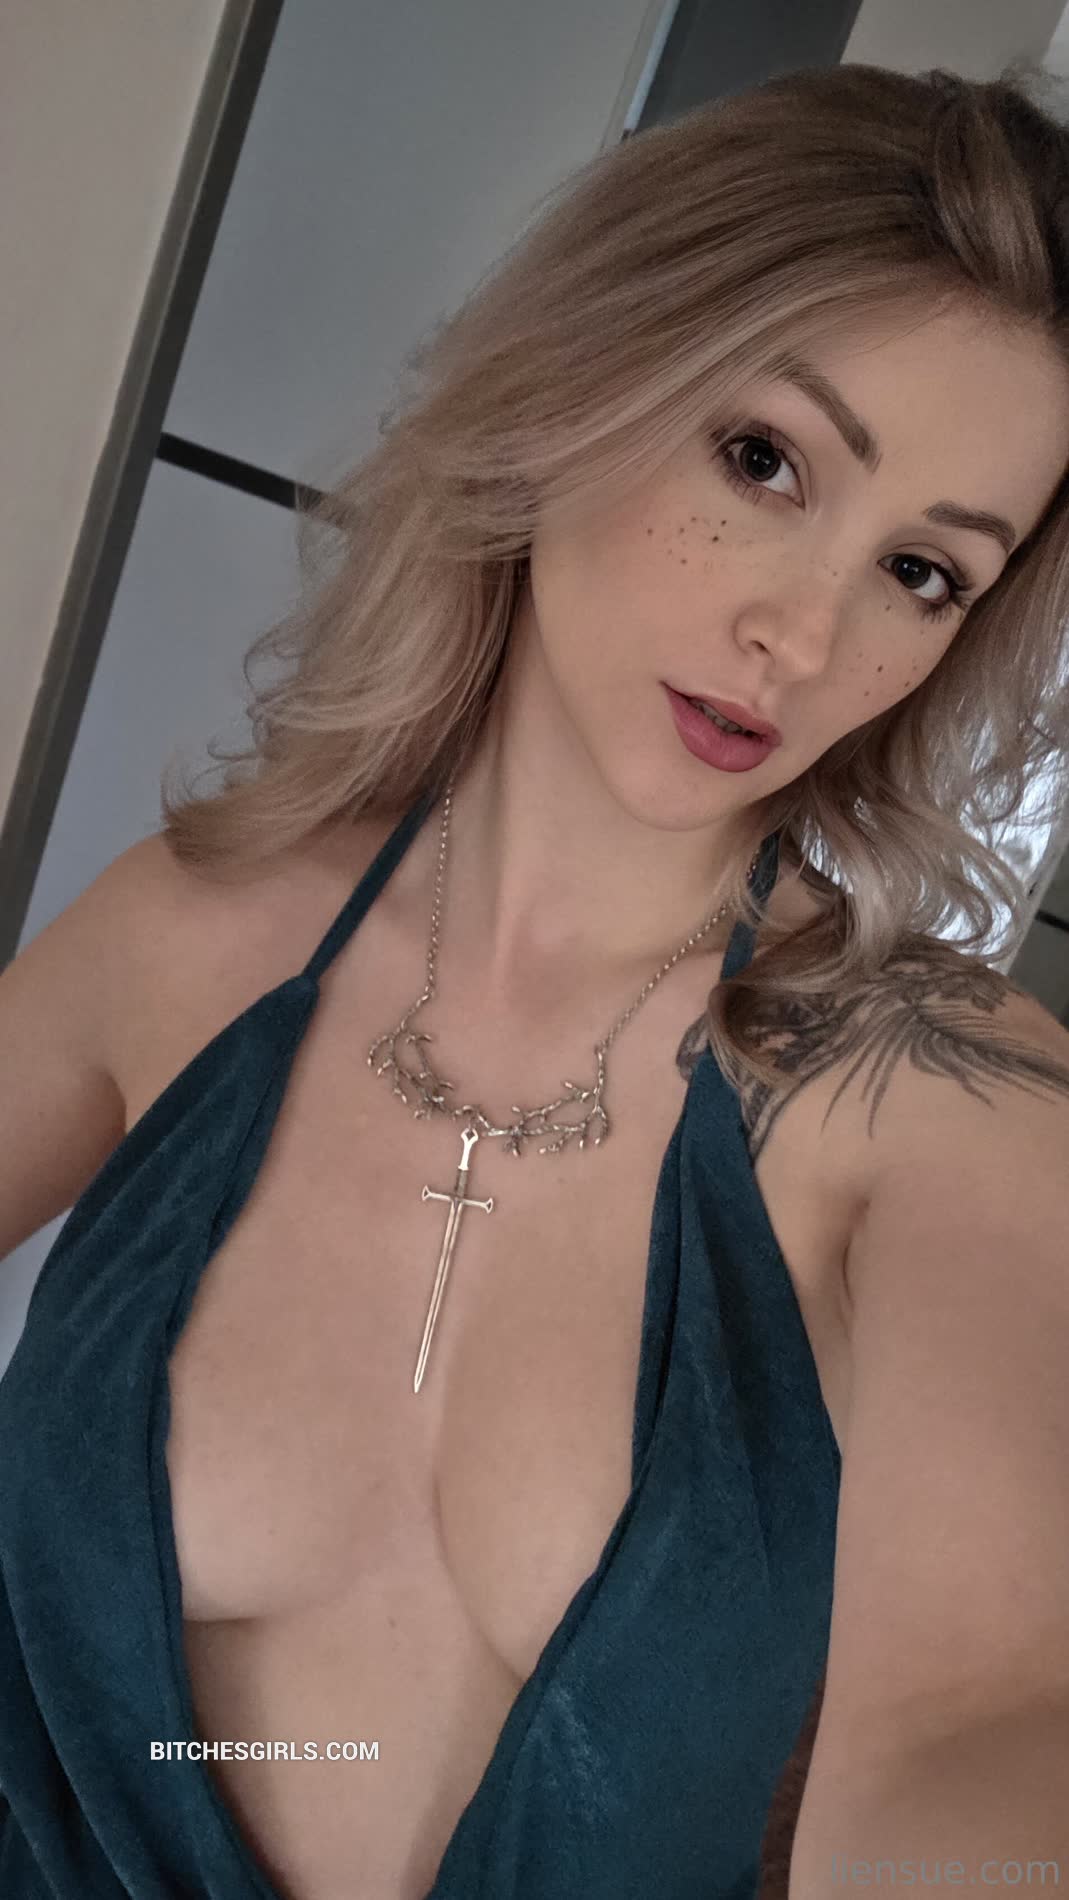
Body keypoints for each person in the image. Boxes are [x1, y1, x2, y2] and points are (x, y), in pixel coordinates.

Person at [2, 54, 1069, 1900]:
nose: (801, 631)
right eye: (763, 461)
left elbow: (982, 1719)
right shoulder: (187, 933)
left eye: (919, 571)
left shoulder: (943, 1104)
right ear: (584, 377)